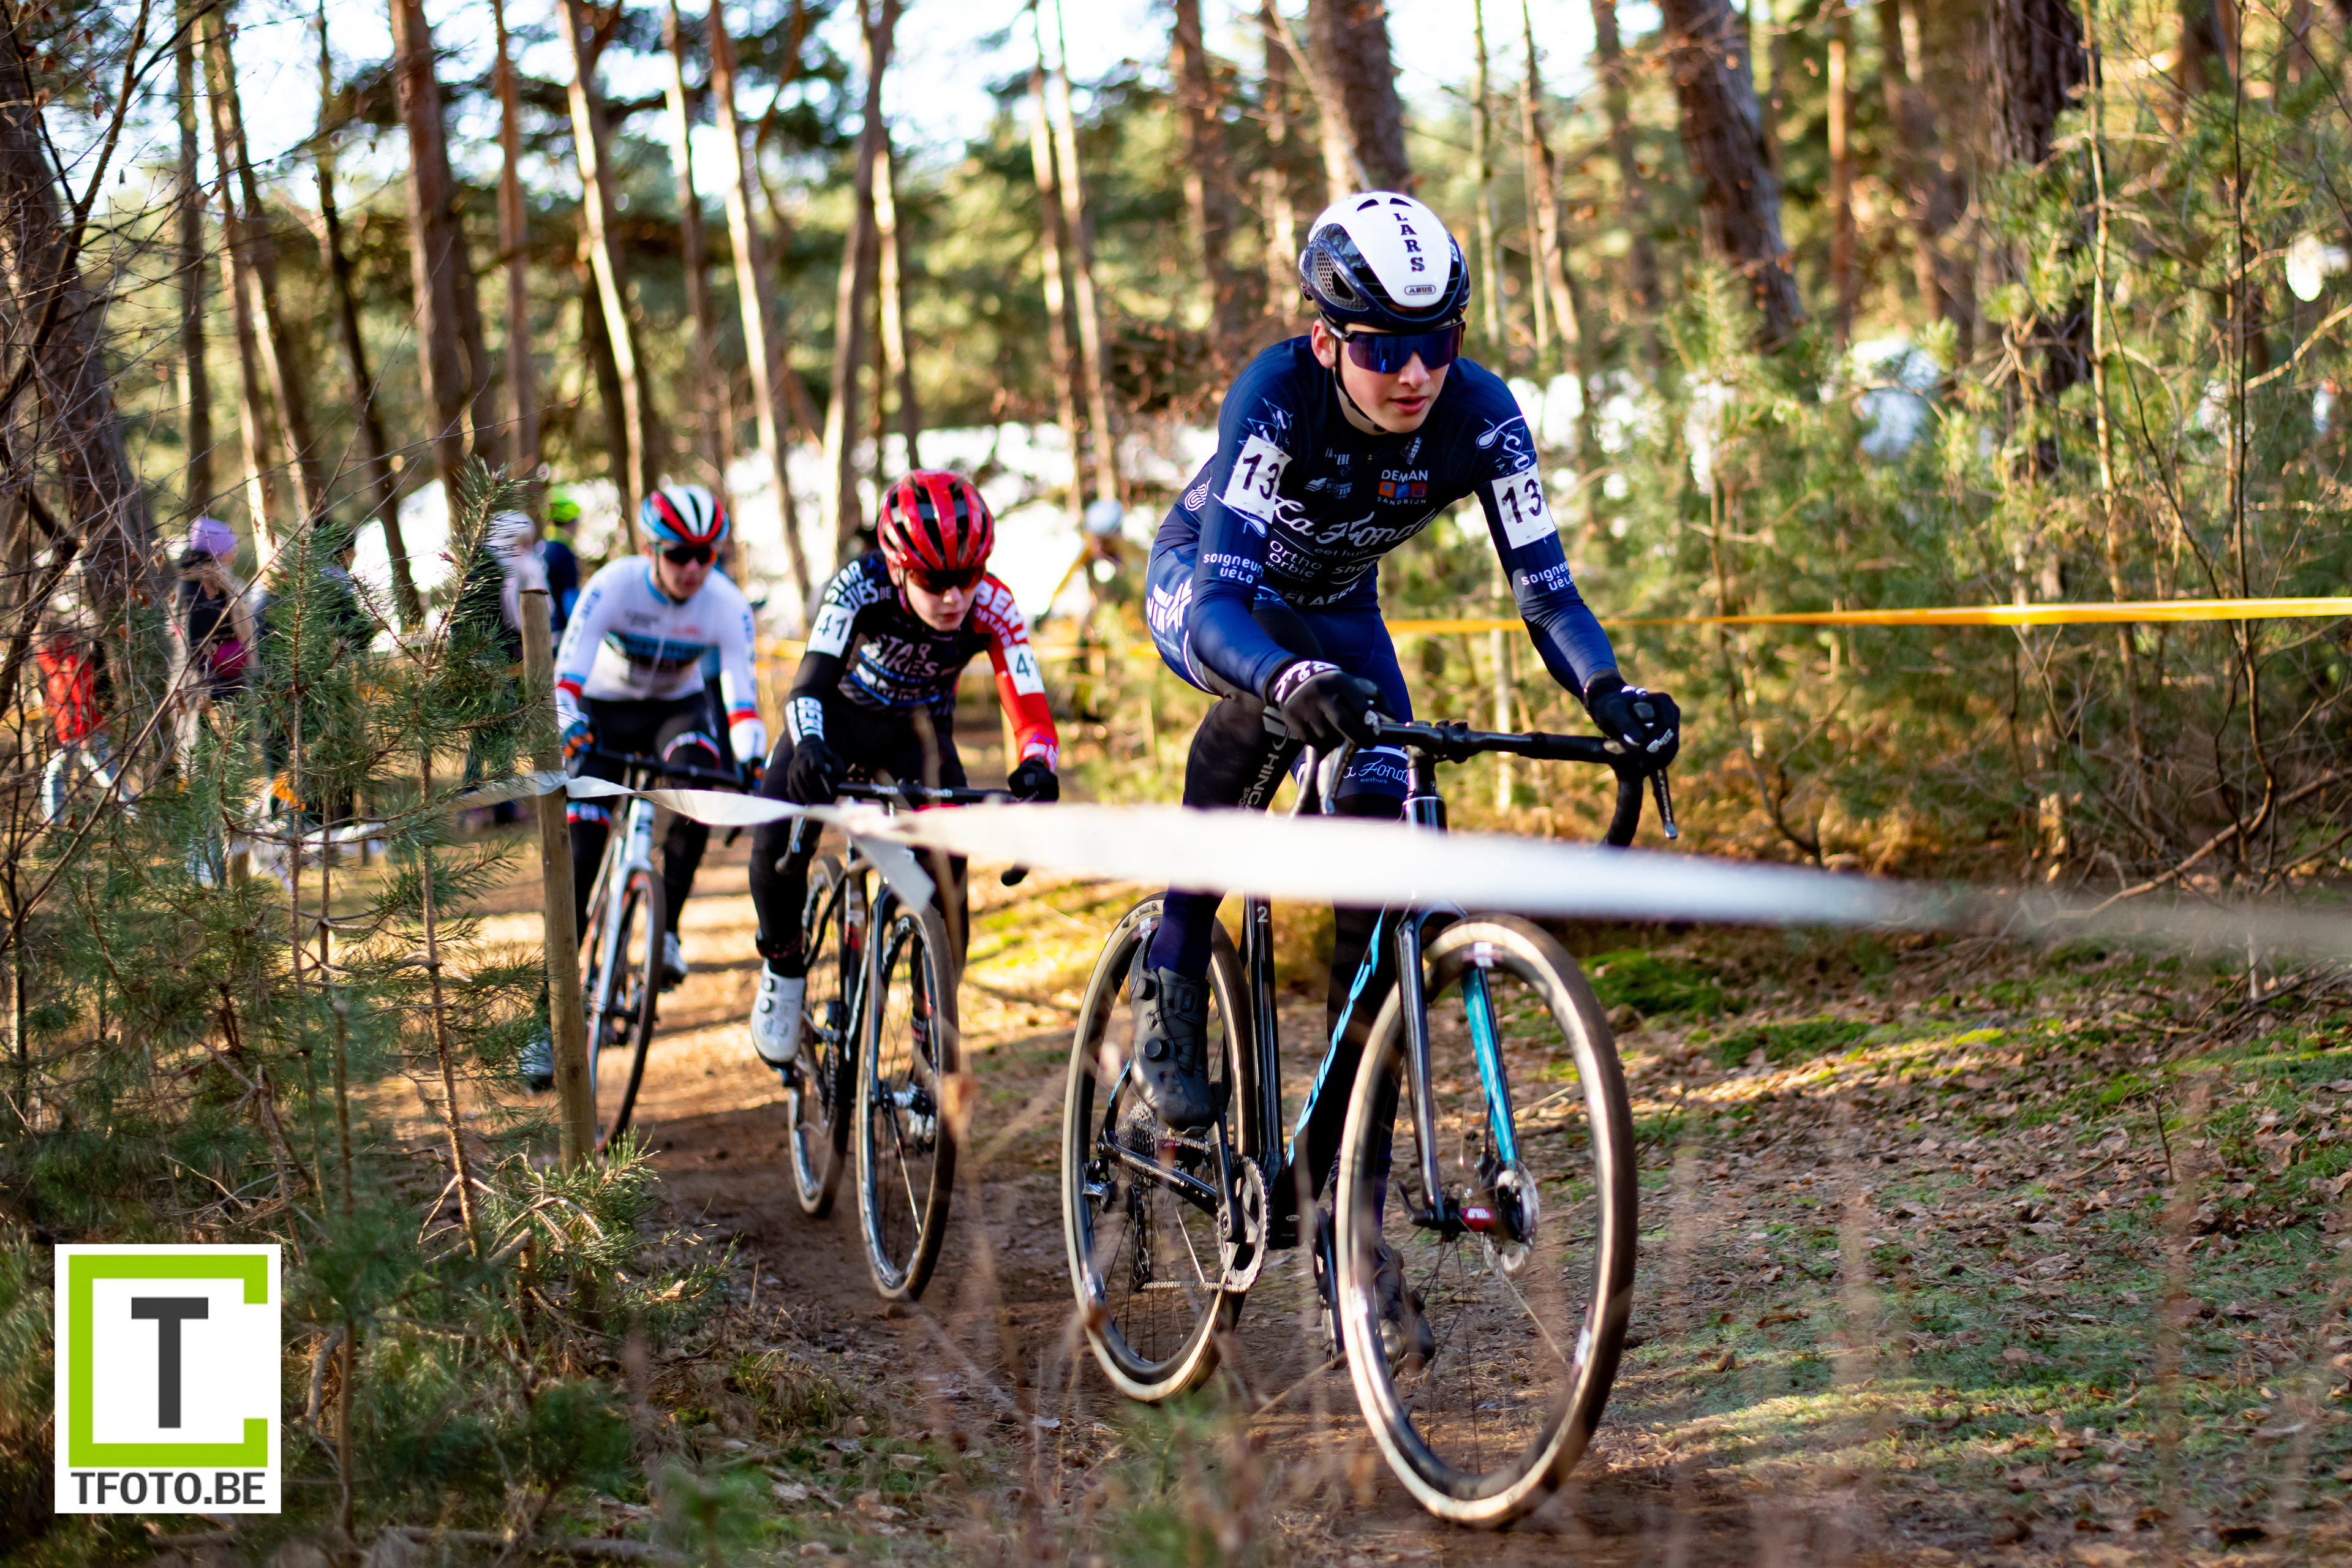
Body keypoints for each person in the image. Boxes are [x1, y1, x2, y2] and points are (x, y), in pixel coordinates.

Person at [1133, 194, 1681, 1322]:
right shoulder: (1274, 397)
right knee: (1257, 717)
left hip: (1342, 613)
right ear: (1327, 339)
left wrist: (1609, 692)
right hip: (1216, 587)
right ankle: (1173, 967)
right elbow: (1224, 602)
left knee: (1381, 900)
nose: (1417, 373)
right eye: (1385, 349)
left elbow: (1548, 594)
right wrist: (1281, 678)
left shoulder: (1483, 415)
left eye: (1440, 343)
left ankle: (1348, 1218)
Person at [742, 470, 1060, 1074]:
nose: (955, 597)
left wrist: (1038, 769)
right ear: (896, 568)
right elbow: (807, 686)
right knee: (773, 837)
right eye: (934, 581)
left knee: (949, 875)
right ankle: (783, 970)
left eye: (969, 575)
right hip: (837, 720)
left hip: (918, 739)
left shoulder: (994, 604)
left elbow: (1031, 712)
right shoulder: (858, 586)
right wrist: (809, 745)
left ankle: (928, 1025)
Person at [552, 483, 765, 997]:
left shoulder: (726, 604)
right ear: (651, 549)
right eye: (678, 554)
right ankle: (549, 1004)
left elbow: (741, 701)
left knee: (699, 781)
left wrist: (752, 758)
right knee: (582, 856)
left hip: (675, 710)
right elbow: (564, 683)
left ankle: (666, 930)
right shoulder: (614, 585)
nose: (692, 568)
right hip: (603, 709)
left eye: (705, 555)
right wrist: (568, 725)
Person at [166, 516, 257, 771]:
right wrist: (213, 696)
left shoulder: (214, 583)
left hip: (219, 687)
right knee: (211, 767)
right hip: (210, 693)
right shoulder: (199, 590)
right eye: (230, 548)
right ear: (217, 553)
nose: (235, 553)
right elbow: (196, 647)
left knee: (224, 767)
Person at [540, 493, 582, 636]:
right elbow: (570, 597)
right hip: (560, 630)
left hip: (542, 626)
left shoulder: (541, 547)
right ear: (571, 523)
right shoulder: (564, 553)